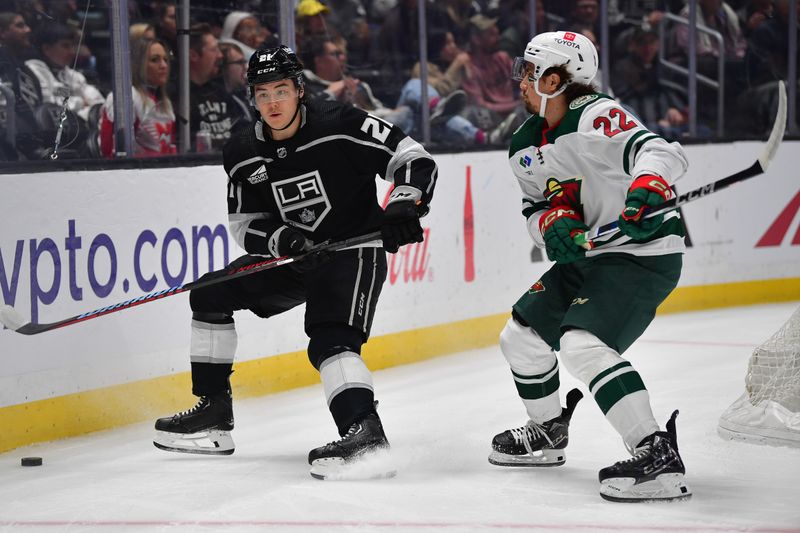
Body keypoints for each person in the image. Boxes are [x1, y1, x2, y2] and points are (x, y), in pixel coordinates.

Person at [152, 45, 438, 480]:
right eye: (262, 92)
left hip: (351, 249)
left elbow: (412, 156)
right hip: (296, 256)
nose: (272, 102)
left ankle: (364, 431)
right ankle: (214, 413)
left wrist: (404, 201)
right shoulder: (243, 149)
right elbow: (244, 222)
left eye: (281, 90)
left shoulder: (341, 123)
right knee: (210, 292)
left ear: (300, 90)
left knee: (329, 342)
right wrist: (281, 239)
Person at [489, 30, 691, 502]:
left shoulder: (596, 115)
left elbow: (661, 151)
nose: (521, 80)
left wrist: (648, 181)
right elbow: (534, 209)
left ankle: (655, 452)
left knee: (582, 344)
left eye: (530, 71)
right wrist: (550, 224)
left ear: (555, 80)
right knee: (520, 339)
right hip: (590, 257)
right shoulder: (523, 141)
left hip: (640, 254)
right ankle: (546, 433)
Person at [98, 38, 175, 157]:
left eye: (165, 59)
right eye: (155, 60)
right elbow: (109, 151)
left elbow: (171, 150)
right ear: (138, 64)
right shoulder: (126, 97)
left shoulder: (165, 102)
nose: (164, 65)